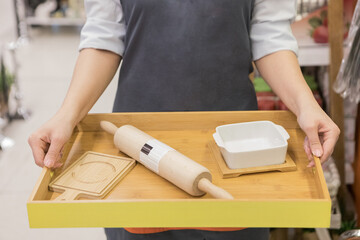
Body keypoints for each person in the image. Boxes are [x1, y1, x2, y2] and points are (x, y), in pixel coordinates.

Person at [28, 0, 340, 239]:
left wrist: (304, 105)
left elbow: (269, 35)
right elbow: (105, 36)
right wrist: (66, 116)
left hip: (235, 150)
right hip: (138, 149)